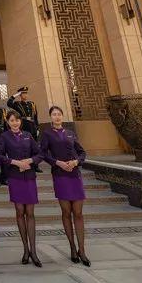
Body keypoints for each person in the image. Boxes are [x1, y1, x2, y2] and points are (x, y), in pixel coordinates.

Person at [40, 105, 90, 266]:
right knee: (66, 212)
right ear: (50, 117)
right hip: (60, 175)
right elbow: (43, 154)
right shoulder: (47, 134)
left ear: (62, 116)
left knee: (78, 213)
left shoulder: (70, 133)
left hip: (74, 175)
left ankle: (82, 250)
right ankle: (72, 248)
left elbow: (82, 152)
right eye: (54, 114)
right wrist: (58, 163)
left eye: (59, 114)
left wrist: (76, 162)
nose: (57, 116)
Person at [0, 111, 43, 267]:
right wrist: (16, 163)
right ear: (7, 122)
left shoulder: (28, 135)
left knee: (30, 213)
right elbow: (0, 156)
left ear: (20, 121)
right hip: (15, 177)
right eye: (12, 120)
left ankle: (34, 251)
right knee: (19, 212)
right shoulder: (4, 137)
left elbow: (39, 154)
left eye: (17, 120)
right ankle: (25, 250)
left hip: (29, 177)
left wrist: (29, 161)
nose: (15, 122)